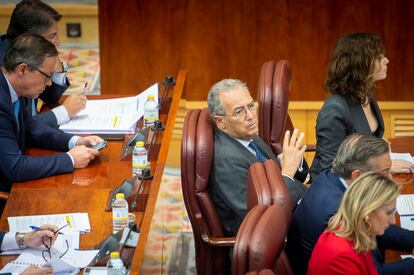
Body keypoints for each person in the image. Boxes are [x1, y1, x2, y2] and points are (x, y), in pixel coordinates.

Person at [286, 134, 414, 275]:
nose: (390, 178)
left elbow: (377, 223)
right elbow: (374, 271)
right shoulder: (336, 212)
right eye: (384, 173)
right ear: (357, 175)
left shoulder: (330, 177)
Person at [0, 34, 101, 191]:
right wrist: (70, 159)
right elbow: (15, 167)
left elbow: (31, 128)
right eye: (47, 76)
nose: (49, 84)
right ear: (23, 69)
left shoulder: (18, 88)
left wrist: (76, 141)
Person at [207, 79, 308, 237]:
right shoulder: (226, 161)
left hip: (295, 209)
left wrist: (288, 161)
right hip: (270, 238)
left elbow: (272, 179)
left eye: (250, 106)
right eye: (239, 111)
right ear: (221, 122)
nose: (250, 116)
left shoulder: (248, 136)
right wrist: (287, 172)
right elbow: (260, 216)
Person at [310, 32, 413, 179]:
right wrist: (383, 166)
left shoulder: (367, 94)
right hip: (338, 194)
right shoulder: (334, 110)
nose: (387, 61)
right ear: (361, 64)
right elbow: (330, 171)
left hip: (366, 185)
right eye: (379, 58)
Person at [0, 0, 86, 128]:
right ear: (30, 38)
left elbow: (50, 96)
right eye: (52, 36)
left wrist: (56, 69)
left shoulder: (30, 53)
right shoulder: (8, 67)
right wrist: (64, 112)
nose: (58, 42)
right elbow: (20, 128)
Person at [308, 172, 400, 275]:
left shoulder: (357, 233)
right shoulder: (341, 257)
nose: (393, 221)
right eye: (389, 213)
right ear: (367, 210)